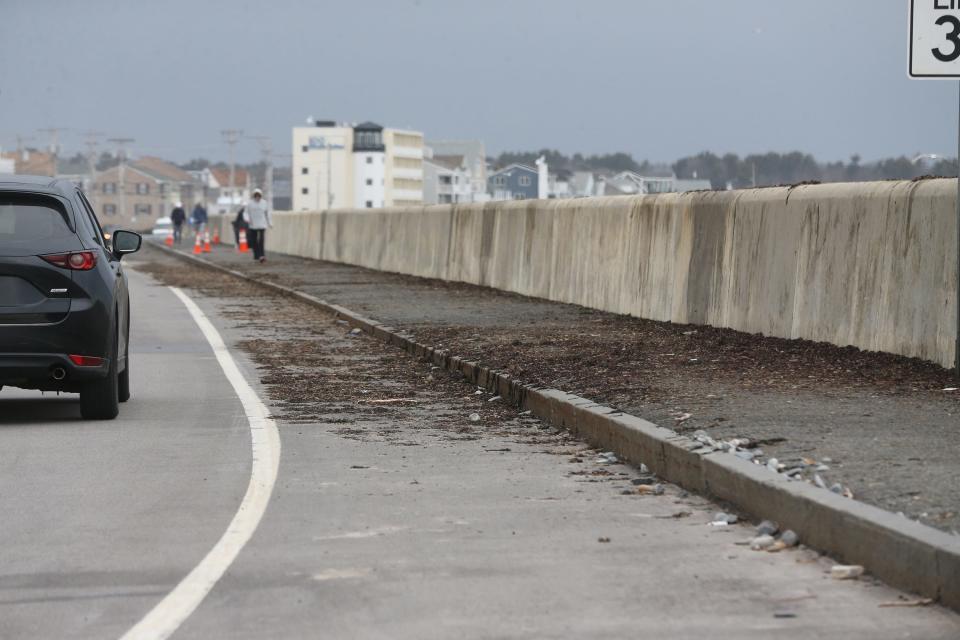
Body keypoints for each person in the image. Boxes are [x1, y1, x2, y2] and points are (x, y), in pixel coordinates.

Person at [241, 188, 271, 263]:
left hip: (262, 224)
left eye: (259, 195)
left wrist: (270, 222)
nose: (257, 197)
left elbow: (268, 213)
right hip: (253, 224)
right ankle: (256, 254)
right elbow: (245, 213)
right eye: (256, 195)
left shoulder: (264, 203)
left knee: (261, 240)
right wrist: (247, 219)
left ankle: (262, 255)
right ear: (254, 196)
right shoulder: (250, 203)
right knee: (254, 241)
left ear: (261, 196)